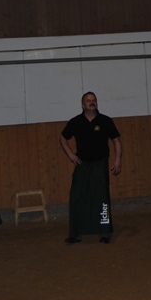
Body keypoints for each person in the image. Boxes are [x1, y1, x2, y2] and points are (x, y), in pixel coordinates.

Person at [59, 91, 122, 244]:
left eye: (94, 100)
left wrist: (118, 159)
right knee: (77, 197)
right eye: (88, 100)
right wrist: (71, 155)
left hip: (100, 164)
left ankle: (105, 232)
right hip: (82, 164)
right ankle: (76, 233)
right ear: (83, 105)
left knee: (102, 199)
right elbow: (62, 138)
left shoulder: (105, 121)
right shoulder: (75, 122)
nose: (91, 102)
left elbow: (117, 141)